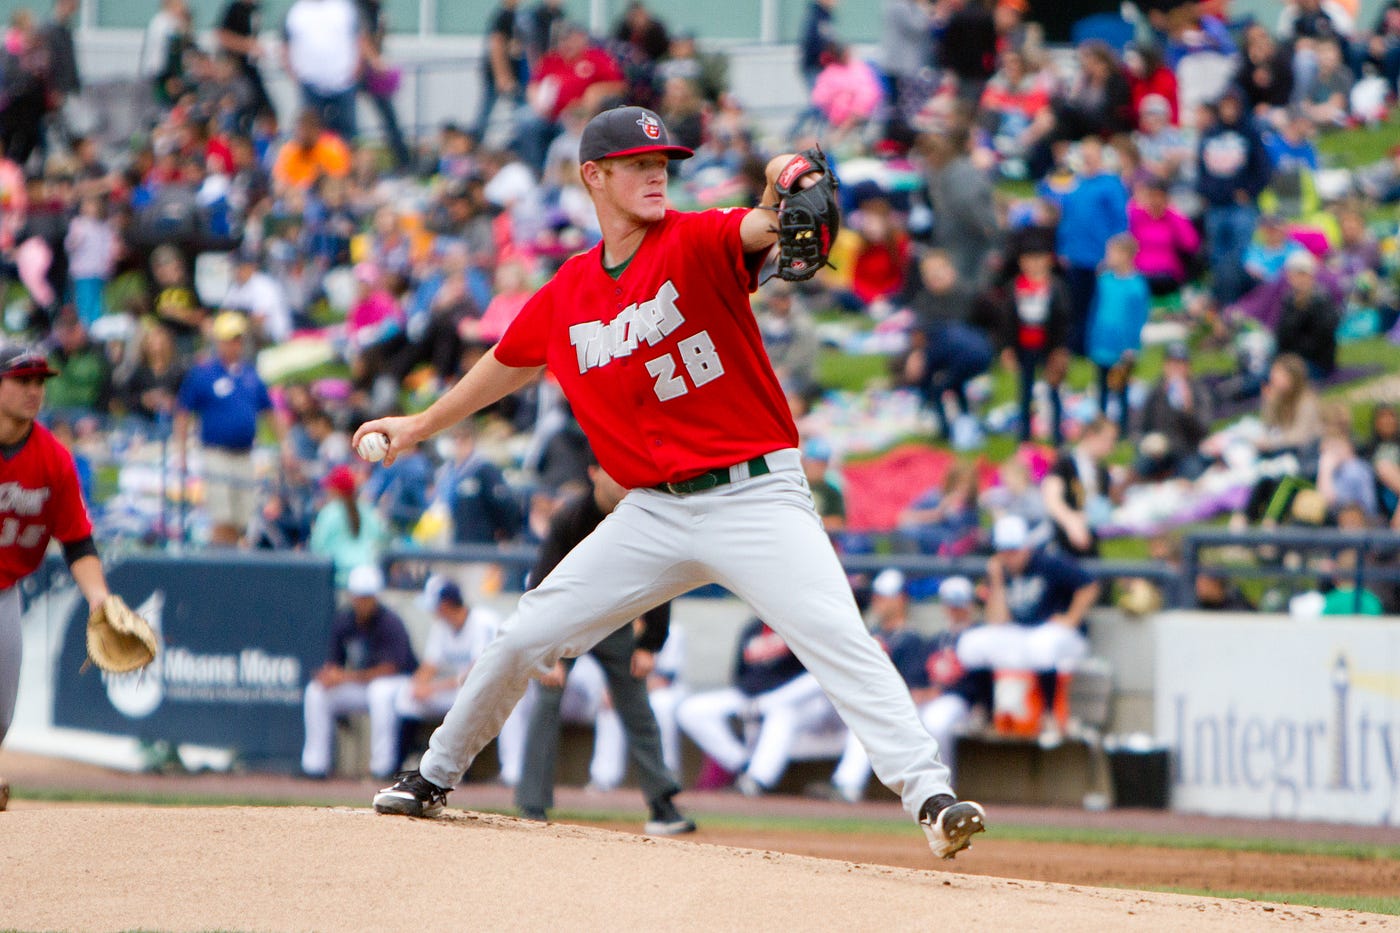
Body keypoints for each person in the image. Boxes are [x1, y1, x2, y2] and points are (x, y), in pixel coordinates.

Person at [360, 105, 985, 859]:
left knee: (838, 639)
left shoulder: (696, 238)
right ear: (594, 176)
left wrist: (780, 187)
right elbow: (510, 361)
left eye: (664, 161)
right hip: (652, 511)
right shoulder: (570, 291)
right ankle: (432, 775)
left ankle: (932, 797)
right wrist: (420, 424)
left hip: (756, 496)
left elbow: (759, 228)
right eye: (637, 163)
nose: (657, 171)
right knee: (522, 634)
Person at [514, 461, 695, 835]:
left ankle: (662, 805)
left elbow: (661, 578)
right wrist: (544, 652)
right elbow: (539, 584)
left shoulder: (643, 515)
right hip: (566, 623)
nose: (625, 481)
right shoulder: (570, 519)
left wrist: (649, 644)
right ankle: (532, 806)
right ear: (594, 473)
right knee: (546, 700)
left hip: (614, 621)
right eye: (616, 471)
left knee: (637, 706)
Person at [0, 344, 127, 811]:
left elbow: (77, 541)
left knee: (0, 713)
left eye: (39, 382)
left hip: (4, 589)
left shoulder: (53, 459)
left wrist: (100, 601)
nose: (34, 390)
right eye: (22, 380)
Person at [829, 574, 982, 801]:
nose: (954, 609)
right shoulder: (939, 639)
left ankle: (942, 791)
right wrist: (927, 692)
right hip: (929, 700)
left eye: (959, 604)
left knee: (935, 721)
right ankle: (847, 783)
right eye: (950, 604)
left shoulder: (980, 636)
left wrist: (938, 693)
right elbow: (925, 678)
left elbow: (979, 683)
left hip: (962, 703)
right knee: (879, 719)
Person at [959, 514, 1099, 742]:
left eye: (1014, 550)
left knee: (1041, 645)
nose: (1009, 556)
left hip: (1063, 637)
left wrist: (1072, 618)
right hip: (1024, 633)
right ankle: (985, 711)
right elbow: (997, 621)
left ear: (1026, 547)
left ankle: (1050, 714)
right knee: (971, 644)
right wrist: (996, 581)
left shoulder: (1048, 562)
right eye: (1004, 551)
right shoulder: (1001, 570)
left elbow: (1089, 585)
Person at [677, 618, 841, 797]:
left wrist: (768, 702)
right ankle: (743, 764)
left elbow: (816, 677)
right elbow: (739, 673)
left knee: (782, 714)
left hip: (799, 704)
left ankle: (758, 780)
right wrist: (752, 698)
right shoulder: (752, 628)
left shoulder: (804, 626)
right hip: (751, 696)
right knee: (690, 710)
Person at [384, 580, 521, 782]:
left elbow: (476, 673)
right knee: (406, 698)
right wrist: (418, 685)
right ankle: (398, 766)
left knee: (467, 700)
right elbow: (430, 666)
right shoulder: (442, 626)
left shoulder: (482, 621)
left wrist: (431, 687)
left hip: (491, 688)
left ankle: (465, 772)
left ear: (446, 605)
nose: (434, 612)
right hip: (457, 688)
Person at [174, 311, 288, 546]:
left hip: (245, 455)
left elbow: (269, 412)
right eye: (228, 339)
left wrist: (285, 445)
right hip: (217, 453)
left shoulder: (249, 374)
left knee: (242, 518)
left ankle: (231, 564)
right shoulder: (204, 373)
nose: (234, 344)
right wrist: (181, 452)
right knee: (222, 516)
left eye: (237, 339)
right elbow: (183, 413)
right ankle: (221, 567)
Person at [301, 564, 417, 779]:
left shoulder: (389, 622)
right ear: (351, 597)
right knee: (316, 691)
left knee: (379, 692)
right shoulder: (344, 620)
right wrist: (328, 676)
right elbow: (335, 662)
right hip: (362, 685)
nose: (363, 603)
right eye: (359, 597)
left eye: (367, 597)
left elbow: (391, 668)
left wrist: (345, 677)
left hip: (397, 685)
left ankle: (382, 768)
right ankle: (314, 765)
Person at [1086, 233, 1150, 435]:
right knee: (1102, 386)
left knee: (1120, 388)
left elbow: (1139, 317)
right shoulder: (1104, 280)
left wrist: (1132, 346)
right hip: (1102, 342)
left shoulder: (1136, 285)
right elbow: (1096, 309)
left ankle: (1122, 430)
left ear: (1126, 255)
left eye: (1112, 253)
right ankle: (1101, 426)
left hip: (1122, 348)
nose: (1108, 257)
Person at [1134, 342, 1214, 481]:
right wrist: (1146, 443)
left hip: (1187, 451)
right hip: (1158, 453)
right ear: (1165, 365)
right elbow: (1138, 426)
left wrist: (1187, 411)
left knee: (1192, 474)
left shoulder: (1198, 391)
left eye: (1180, 364)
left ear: (1188, 367)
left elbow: (1203, 430)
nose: (1176, 369)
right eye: (1172, 363)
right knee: (1138, 470)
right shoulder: (1155, 391)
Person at [1042, 416, 1117, 558]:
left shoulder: (1102, 473)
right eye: (1108, 440)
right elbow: (1051, 499)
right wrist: (1071, 521)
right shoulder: (1065, 463)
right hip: (1063, 540)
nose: (1111, 447)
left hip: (1090, 540)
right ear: (1091, 435)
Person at [309, 465, 387, 588]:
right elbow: (382, 539)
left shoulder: (329, 513)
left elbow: (317, 547)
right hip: (368, 576)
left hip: (338, 578)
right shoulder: (367, 510)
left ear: (336, 490)